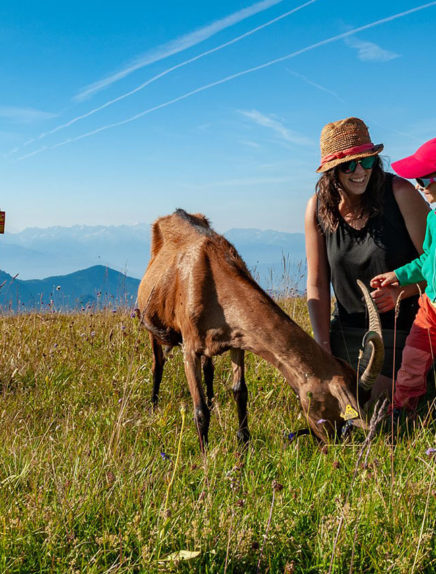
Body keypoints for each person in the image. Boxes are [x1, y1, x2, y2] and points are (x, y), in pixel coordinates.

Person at [305, 117, 429, 396]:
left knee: (371, 405)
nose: (360, 171)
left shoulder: (400, 193)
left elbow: (434, 266)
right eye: (349, 164)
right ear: (332, 171)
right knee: (323, 399)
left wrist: (403, 292)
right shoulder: (318, 209)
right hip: (344, 334)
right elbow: (317, 284)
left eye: (367, 161)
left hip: (399, 332)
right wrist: (322, 348)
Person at [370, 138, 436, 412]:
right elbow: (426, 261)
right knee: (412, 360)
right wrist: (397, 275)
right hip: (429, 309)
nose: (418, 186)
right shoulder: (433, 219)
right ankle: (402, 410)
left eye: (423, 178)